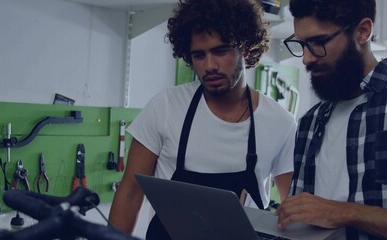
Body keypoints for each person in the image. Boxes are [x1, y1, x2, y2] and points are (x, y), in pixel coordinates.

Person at [108, 0, 297, 239]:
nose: (210, 65)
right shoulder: (166, 106)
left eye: (221, 51)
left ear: (246, 48)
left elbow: (294, 209)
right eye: (199, 55)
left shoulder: (280, 122)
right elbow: (130, 193)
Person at [276, 0, 387, 239]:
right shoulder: (310, 122)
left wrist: (345, 212)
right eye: (302, 44)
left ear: (363, 31)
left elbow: (331, 213)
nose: (306, 58)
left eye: (318, 42)